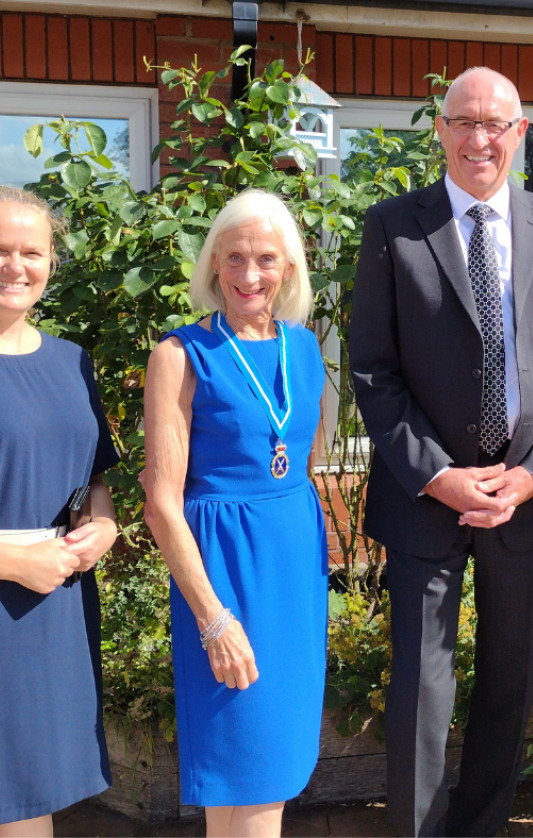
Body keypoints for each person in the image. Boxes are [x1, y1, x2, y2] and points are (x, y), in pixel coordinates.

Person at [348, 66, 533, 837]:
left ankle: (482, 827)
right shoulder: (393, 227)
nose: (479, 138)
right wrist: (438, 476)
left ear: (519, 134)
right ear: (441, 131)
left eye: (496, 124)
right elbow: (372, 369)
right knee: (421, 692)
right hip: (425, 500)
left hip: (525, 504)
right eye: (464, 121)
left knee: (507, 683)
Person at [142, 188, 327, 838]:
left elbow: (301, 467)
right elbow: (161, 505)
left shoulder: (306, 349)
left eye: (266, 259)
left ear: (290, 269)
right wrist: (213, 618)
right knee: (244, 768)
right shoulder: (179, 354)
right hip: (223, 577)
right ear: (213, 263)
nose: (251, 276)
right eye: (235, 258)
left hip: (293, 579)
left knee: (272, 772)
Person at [0, 186, 119, 835]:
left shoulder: (72, 363)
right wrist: (17, 562)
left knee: (30, 810)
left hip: (51, 618)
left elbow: (94, 480)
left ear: (50, 263)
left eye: (32, 252)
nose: (16, 266)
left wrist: (104, 525)